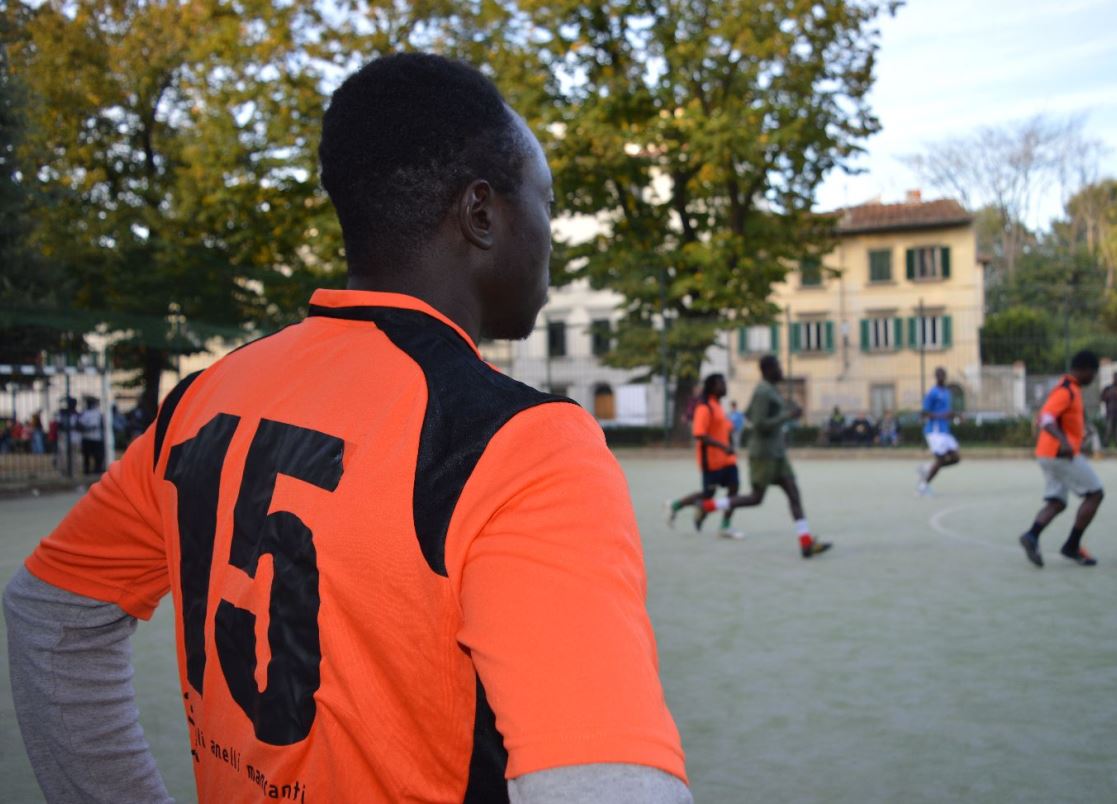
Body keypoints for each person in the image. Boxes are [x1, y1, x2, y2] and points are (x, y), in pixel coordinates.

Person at [3, 54, 690, 804]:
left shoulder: (206, 395)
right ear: (482, 214)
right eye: (546, 205)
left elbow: (52, 613)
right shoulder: (520, 444)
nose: (550, 238)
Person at [694, 356, 832, 558]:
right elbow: (759, 424)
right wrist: (788, 416)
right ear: (768, 370)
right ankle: (707, 505)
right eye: (778, 367)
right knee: (755, 499)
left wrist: (783, 413)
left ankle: (805, 543)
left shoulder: (771, 390)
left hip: (777, 454)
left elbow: (750, 414)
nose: (781, 370)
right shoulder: (763, 391)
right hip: (763, 455)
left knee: (794, 493)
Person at [1018, 351, 1105, 568]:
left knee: (1057, 502)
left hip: (1048, 454)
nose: (1093, 378)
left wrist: (1078, 435)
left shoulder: (1071, 388)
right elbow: (1045, 418)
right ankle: (1072, 545)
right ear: (1084, 369)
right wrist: (1064, 442)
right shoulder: (1066, 389)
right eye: (1093, 373)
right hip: (1059, 455)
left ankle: (1032, 535)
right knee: (1095, 494)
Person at [665, 374, 743, 539]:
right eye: (721, 383)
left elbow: (725, 428)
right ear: (712, 387)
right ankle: (675, 506)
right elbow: (699, 434)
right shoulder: (704, 407)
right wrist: (723, 446)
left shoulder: (717, 405)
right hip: (711, 462)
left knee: (734, 490)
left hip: (727, 460)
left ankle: (725, 526)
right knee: (707, 495)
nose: (725, 386)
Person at [917, 367, 961, 496]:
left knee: (956, 458)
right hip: (934, 431)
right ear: (936, 377)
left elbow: (947, 412)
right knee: (941, 459)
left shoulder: (947, 392)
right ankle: (923, 485)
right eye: (939, 375)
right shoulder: (932, 393)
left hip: (945, 431)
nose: (941, 377)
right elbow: (924, 413)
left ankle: (928, 468)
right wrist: (943, 415)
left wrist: (956, 416)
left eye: (943, 375)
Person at [78, 396, 105, 474]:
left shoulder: (97, 413)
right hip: (87, 438)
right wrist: (87, 427)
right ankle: (87, 470)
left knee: (98, 456)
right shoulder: (85, 413)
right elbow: (80, 424)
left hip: (96, 438)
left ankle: (97, 469)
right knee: (86, 456)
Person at [1100, 371, 1117, 449]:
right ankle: (1105, 445)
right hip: (1110, 412)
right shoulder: (1108, 388)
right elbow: (1102, 398)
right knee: (1109, 429)